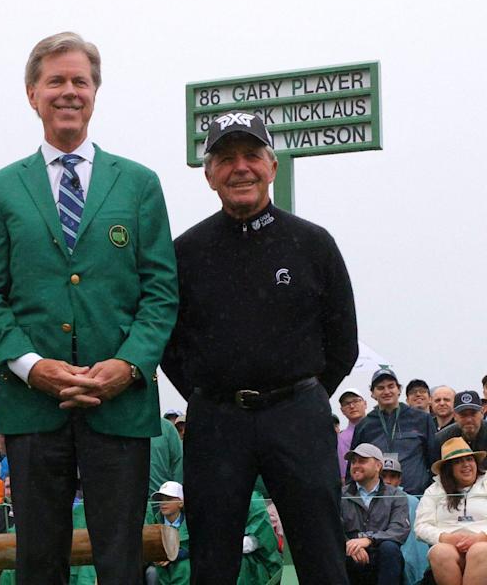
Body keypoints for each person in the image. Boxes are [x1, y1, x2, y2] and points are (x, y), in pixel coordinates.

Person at [0, 31, 179, 584]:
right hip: (32, 407)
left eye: (79, 81)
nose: (68, 91)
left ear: (95, 92)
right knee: (38, 558)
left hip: (123, 405)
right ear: (32, 94)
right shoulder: (0, 189)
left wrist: (128, 365)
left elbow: (161, 290)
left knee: (120, 557)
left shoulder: (138, 184)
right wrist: (31, 366)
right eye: (55, 81)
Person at [160, 110, 358, 584]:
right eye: (226, 159)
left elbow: (343, 341)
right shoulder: (185, 252)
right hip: (216, 422)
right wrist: (212, 398)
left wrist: (302, 394)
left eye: (251, 155)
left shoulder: (312, 243)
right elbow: (168, 343)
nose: (240, 168)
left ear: (272, 166)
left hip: (298, 415)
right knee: (211, 559)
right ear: (209, 175)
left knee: (322, 556)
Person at [351, 369, 438, 495]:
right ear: (372, 393)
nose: (386, 391)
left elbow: (433, 459)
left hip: (416, 495)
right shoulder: (364, 425)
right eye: (380, 388)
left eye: (391, 386)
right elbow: (355, 463)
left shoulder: (422, 419)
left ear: (399, 389)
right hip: (377, 498)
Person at [414, 438, 487, 584]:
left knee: (480, 550)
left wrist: (482, 536)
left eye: (469, 459)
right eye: (458, 461)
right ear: (448, 468)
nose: (466, 465)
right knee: (440, 552)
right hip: (449, 546)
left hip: (483, 545)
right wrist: (443, 537)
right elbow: (421, 526)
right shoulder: (434, 490)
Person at [339, 443, 409, 585]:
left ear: (378, 466)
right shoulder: (340, 495)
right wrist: (350, 545)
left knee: (389, 548)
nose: (356, 465)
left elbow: (399, 529)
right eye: (353, 462)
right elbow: (334, 528)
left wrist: (369, 540)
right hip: (349, 556)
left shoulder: (396, 495)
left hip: (382, 556)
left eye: (362, 461)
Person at [379, 458, 428, 585]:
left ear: (400, 479)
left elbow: (416, 543)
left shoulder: (412, 501)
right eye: (383, 476)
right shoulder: (369, 499)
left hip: (405, 556)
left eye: (393, 476)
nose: (388, 481)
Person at [145, 481, 188, 585]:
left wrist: (175, 556)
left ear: (181, 503)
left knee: (185, 567)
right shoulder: (153, 524)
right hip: (160, 569)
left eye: (169, 499)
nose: (163, 503)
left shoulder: (190, 524)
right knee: (151, 572)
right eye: (160, 499)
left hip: (183, 568)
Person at [436, 391, 487, 466]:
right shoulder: (442, 439)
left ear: (482, 413)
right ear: (454, 416)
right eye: (463, 415)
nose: (469, 419)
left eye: (473, 414)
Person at [338, 388, 368, 481]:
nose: (351, 406)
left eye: (356, 401)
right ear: (342, 410)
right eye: (346, 404)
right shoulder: (340, 438)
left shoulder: (378, 428)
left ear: (365, 403)